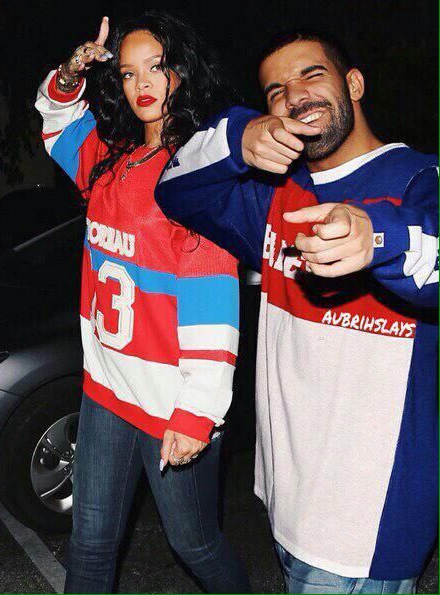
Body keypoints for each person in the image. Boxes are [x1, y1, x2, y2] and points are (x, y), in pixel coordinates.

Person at [156, 30, 438, 594]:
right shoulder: (273, 196)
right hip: (288, 502)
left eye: (312, 74)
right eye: (276, 90)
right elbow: (174, 189)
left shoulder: (418, 179)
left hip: (363, 528)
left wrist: (379, 237)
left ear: (353, 84)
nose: (295, 95)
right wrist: (238, 135)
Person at [35, 11, 251, 594]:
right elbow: (55, 123)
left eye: (156, 67)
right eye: (128, 74)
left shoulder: (196, 170)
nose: (142, 84)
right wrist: (69, 72)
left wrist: (197, 410)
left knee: (195, 545)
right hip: (106, 390)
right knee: (90, 542)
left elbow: (212, 297)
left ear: (182, 69)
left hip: (170, 400)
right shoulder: (113, 161)